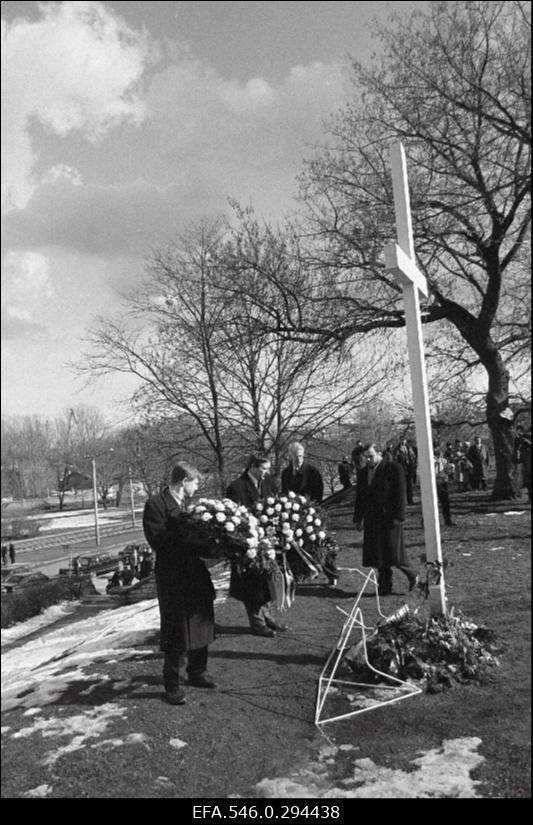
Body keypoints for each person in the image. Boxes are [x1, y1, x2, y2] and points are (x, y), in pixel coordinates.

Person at [143, 462, 217, 705]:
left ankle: (197, 672)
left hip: (195, 573)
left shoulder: (190, 505)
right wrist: (191, 538)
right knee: (176, 629)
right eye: (195, 482)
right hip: (174, 576)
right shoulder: (156, 504)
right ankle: (172, 683)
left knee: (201, 619)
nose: (197, 487)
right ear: (184, 481)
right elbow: (158, 540)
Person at [226, 453, 288, 637]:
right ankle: (257, 623)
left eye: (268, 469)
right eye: (263, 469)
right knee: (251, 585)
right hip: (248, 543)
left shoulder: (268, 483)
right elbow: (233, 517)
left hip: (268, 540)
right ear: (252, 466)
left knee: (265, 581)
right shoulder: (236, 487)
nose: (266, 473)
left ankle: (268, 618)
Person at [353, 443, 418, 596]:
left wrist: (399, 516)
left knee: (394, 552)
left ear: (379, 454)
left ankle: (412, 574)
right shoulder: (362, 473)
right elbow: (360, 498)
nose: (368, 460)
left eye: (371, 456)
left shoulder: (393, 469)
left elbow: (401, 494)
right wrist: (358, 518)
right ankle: (384, 586)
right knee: (378, 555)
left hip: (389, 518)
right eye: (366, 457)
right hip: (371, 518)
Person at [281, 442, 339, 586]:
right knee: (295, 545)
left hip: (312, 513)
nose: (298, 459)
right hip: (293, 514)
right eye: (295, 456)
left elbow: (318, 493)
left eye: (300, 456)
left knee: (318, 544)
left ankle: (332, 574)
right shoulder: (286, 473)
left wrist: (312, 510)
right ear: (290, 457)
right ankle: (299, 574)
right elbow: (285, 493)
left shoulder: (313, 472)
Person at [434, 446, 456, 527]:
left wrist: (451, 469)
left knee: (445, 502)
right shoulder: (430, 461)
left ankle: (448, 520)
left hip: (443, 482)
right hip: (434, 483)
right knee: (432, 502)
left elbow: (447, 471)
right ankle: (426, 521)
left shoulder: (444, 460)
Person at [394, 437, 417, 505]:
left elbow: (413, 457)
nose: (403, 442)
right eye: (402, 440)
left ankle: (410, 501)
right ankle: (401, 502)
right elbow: (395, 458)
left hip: (409, 469)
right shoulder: (397, 449)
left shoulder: (409, 448)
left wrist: (413, 467)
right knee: (401, 487)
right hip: (401, 469)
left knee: (409, 486)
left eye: (404, 440)